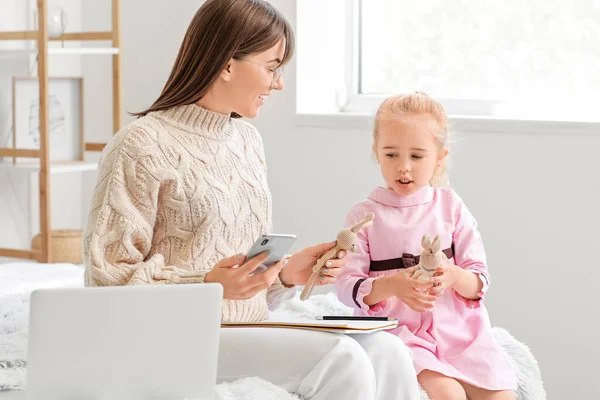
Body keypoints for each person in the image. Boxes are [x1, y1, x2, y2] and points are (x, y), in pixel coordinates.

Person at [82, 1, 420, 399]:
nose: (279, 84)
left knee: (389, 350)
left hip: (247, 326)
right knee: (341, 359)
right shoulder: (139, 146)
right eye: (272, 66)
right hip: (175, 337)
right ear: (226, 64)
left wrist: (286, 273)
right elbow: (105, 281)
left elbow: (245, 281)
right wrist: (206, 286)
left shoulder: (247, 142)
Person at [335, 92, 518, 400]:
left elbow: (478, 280)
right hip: (401, 333)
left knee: (502, 397)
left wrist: (453, 276)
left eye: (417, 157)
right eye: (391, 155)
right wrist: (392, 285)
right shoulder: (365, 215)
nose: (403, 168)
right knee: (449, 394)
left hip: (459, 334)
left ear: (439, 157)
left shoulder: (451, 206)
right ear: (376, 153)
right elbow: (345, 286)